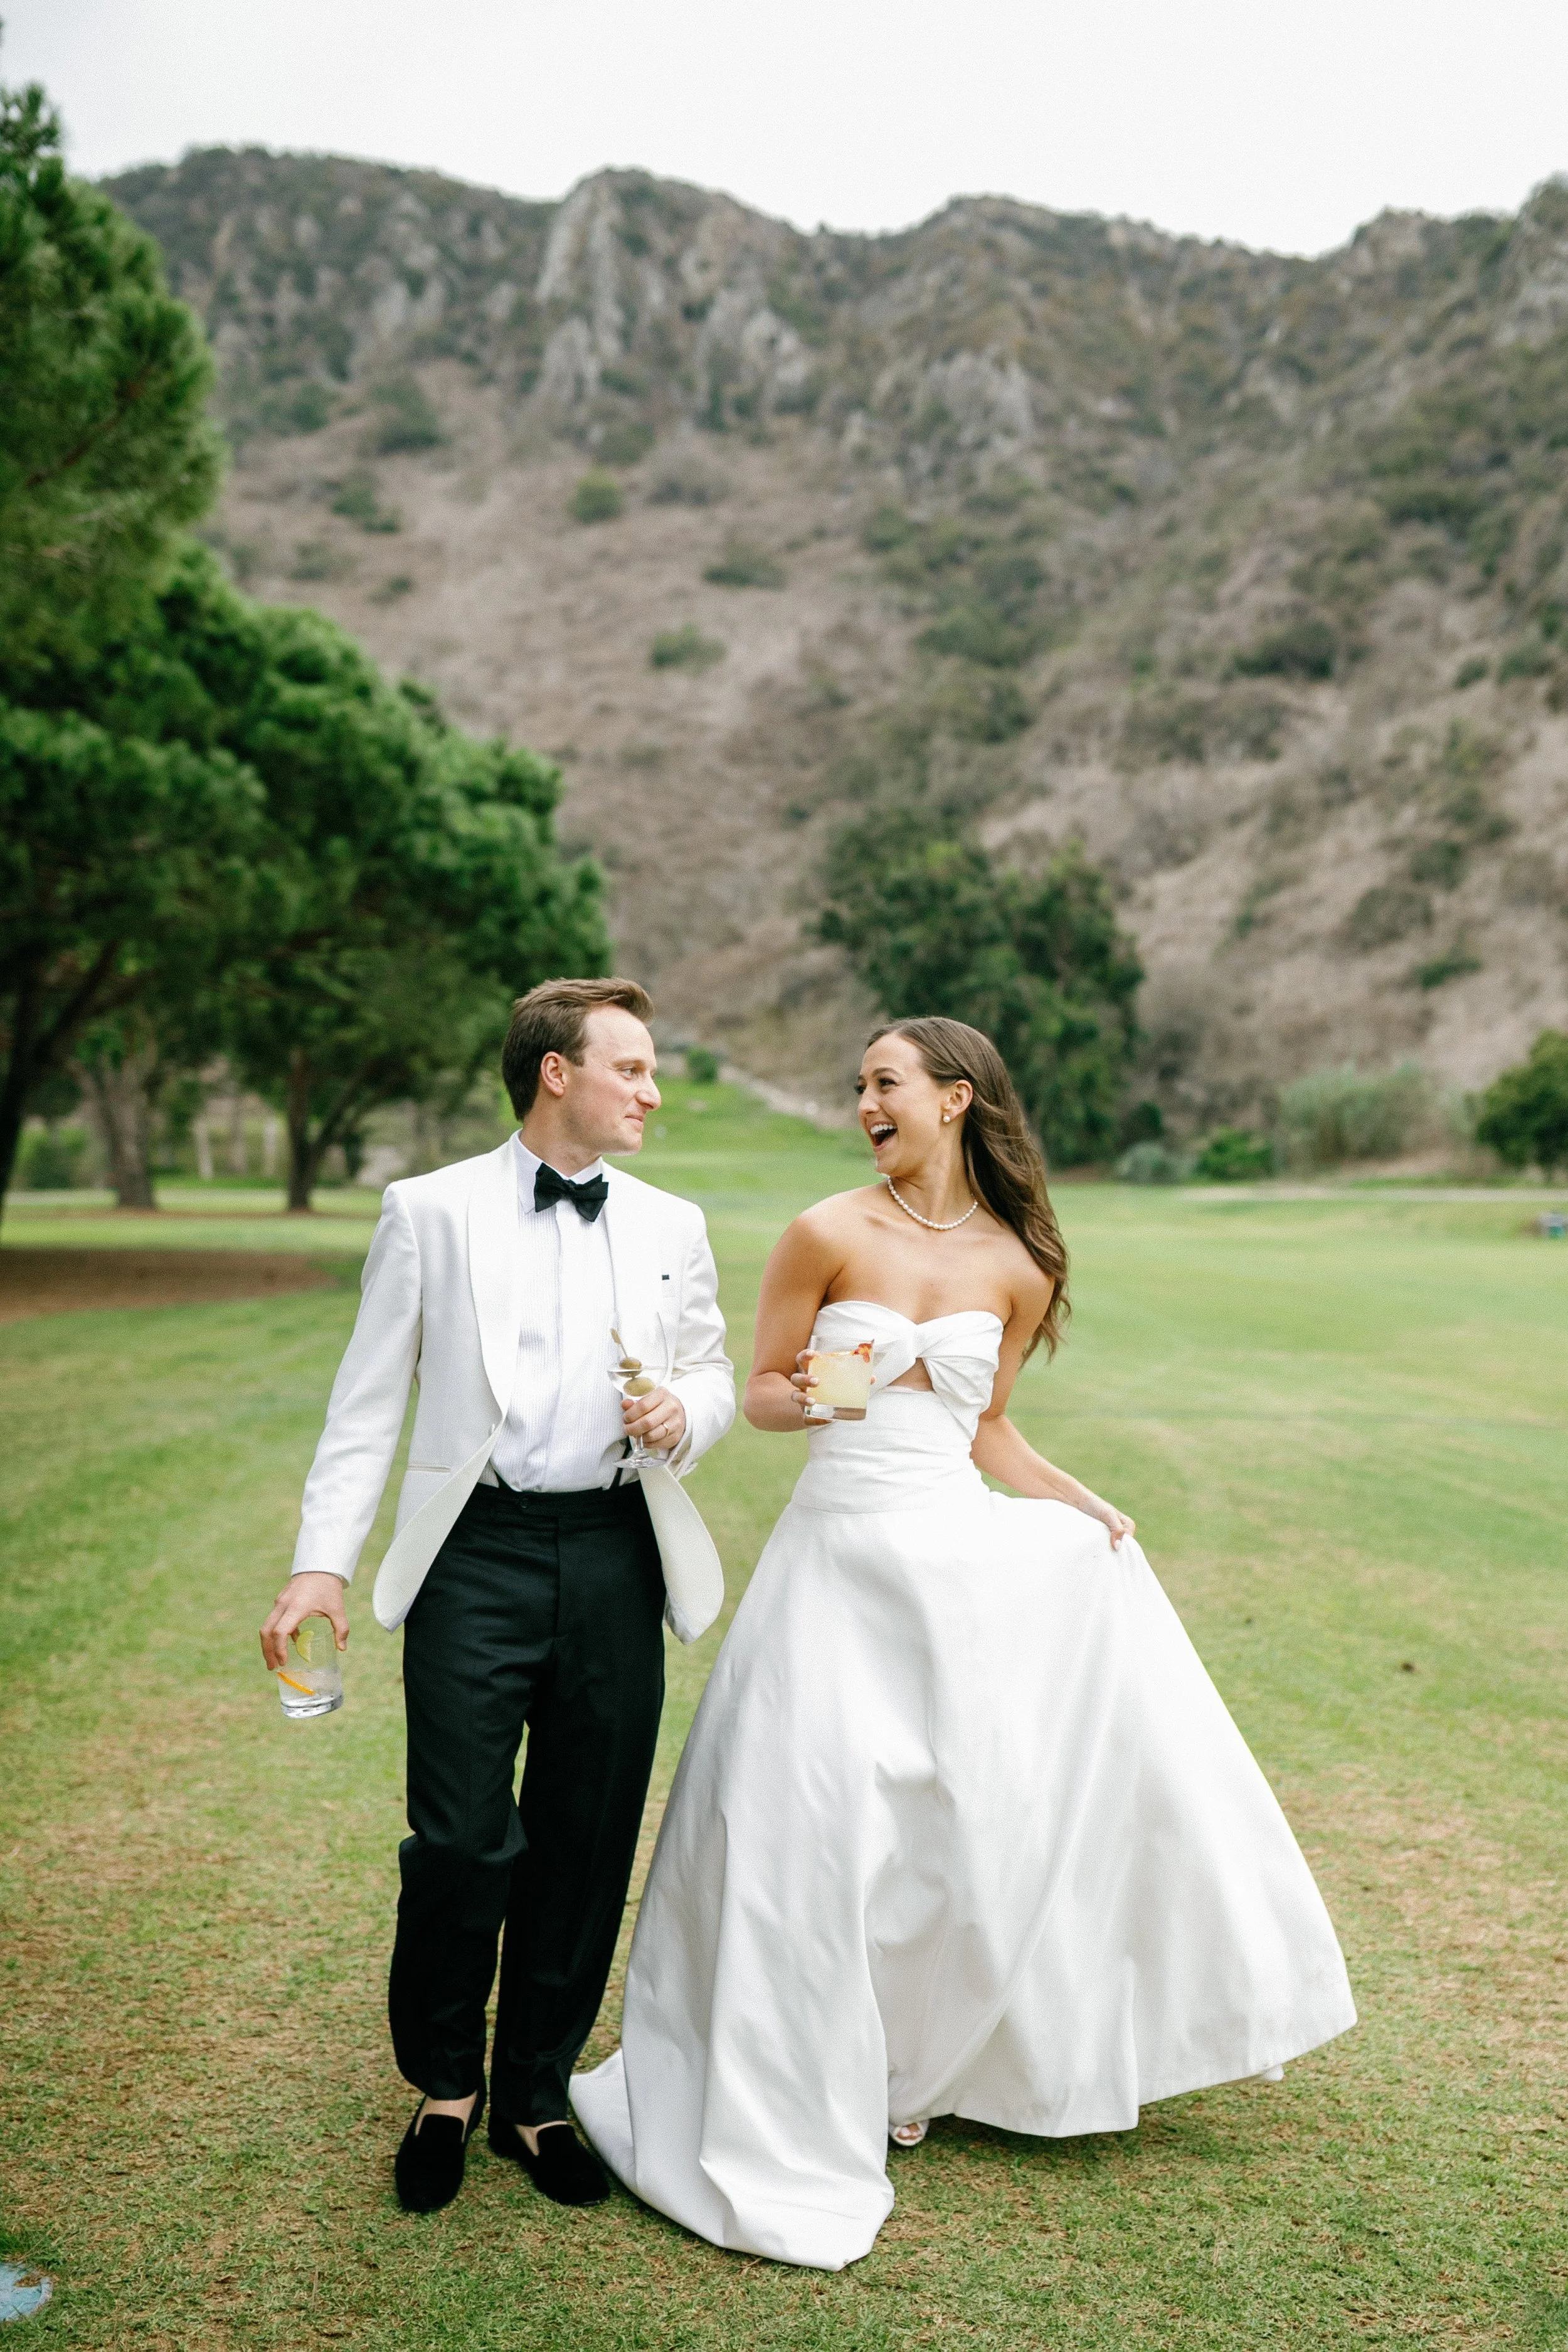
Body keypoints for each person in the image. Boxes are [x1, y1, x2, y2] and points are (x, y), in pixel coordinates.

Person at [573, 1015, 1356, 2271]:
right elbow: (769, 1392)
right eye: (857, 1088)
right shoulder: (825, 1233)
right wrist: (857, 1378)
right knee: (813, 1820)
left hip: (950, 1559)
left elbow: (986, 1429)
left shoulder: (1015, 1261)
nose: (862, 1103)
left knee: (952, 1820)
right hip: (836, 1561)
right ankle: (793, 2064)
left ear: (952, 1098)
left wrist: (1082, 1508)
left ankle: (913, 2059)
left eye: (882, 1084)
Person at [259, 978, 734, 2215]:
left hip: (617, 1549)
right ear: (555, 1073)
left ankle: (533, 2094)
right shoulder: (426, 1212)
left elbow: (710, 1371)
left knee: (583, 1837)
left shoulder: (672, 1222)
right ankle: (443, 2091)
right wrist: (323, 1558)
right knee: (464, 1838)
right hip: (474, 1552)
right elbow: (367, 1401)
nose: (651, 1090)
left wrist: (687, 1413)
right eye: (629, 1067)